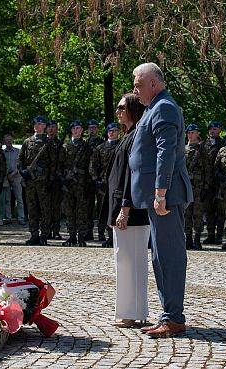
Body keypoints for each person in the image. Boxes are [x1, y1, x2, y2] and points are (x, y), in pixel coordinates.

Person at [129, 62, 192, 338]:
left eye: (138, 84)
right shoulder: (153, 107)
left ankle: (174, 318)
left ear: (153, 83)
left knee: (169, 256)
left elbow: (165, 154)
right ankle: (169, 314)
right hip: (161, 195)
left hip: (166, 195)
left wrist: (160, 193)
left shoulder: (163, 106)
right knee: (161, 256)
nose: (134, 89)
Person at [102, 93, 149, 327]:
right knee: (125, 261)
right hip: (124, 208)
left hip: (131, 211)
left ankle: (132, 313)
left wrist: (125, 208)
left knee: (131, 262)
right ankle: (131, 311)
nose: (118, 111)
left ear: (132, 108)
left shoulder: (137, 136)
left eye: (122, 107)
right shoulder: (129, 135)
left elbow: (132, 175)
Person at [18, 116, 55, 246]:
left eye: (40, 124)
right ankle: (34, 234)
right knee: (32, 208)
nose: (37, 126)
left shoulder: (48, 142)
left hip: (43, 181)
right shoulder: (27, 142)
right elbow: (20, 159)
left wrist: (50, 179)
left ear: (44, 126)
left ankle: (44, 235)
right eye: (36, 124)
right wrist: (22, 172)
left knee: (45, 209)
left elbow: (53, 163)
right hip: (30, 182)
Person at [61, 120, 92, 247]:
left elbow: (91, 165)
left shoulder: (86, 147)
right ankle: (72, 236)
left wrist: (89, 182)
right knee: (69, 210)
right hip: (68, 185)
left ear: (82, 130)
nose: (76, 130)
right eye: (73, 128)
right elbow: (60, 164)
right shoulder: (65, 146)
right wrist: (63, 177)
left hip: (81, 184)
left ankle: (81, 237)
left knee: (81, 211)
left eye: (78, 128)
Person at [90, 122, 120, 246]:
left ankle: (117, 236)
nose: (112, 133)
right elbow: (93, 166)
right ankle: (108, 236)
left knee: (117, 209)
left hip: (118, 184)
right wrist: (96, 180)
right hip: (103, 185)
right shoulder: (100, 148)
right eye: (110, 131)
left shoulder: (122, 146)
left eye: (115, 130)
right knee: (105, 210)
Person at [184, 124, 209, 250]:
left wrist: (206, 187)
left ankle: (197, 238)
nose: (190, 134)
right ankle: (188, 238)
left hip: (199, 187)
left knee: (198, 214)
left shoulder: (202, 150)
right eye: (188, 132)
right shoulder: (182, 149)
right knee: (186, 213)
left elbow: (207, 170)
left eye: (193, 132)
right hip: (186, 187)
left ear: (198, 133)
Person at [202, 120, 226, 244]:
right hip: (207, 182)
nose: (213, 131)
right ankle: (211, 234)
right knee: (209, 209)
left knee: (221, 210)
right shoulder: (203, 144)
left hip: (220, 182)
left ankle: (220, 235)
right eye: (211, 129)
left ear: (220, 130)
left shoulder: (224, 143)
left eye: (215, 129)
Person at [85, 119, 105, 240]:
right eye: (90, 128)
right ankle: (88, 232)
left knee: (101, 207)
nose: (92, 130)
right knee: (88, 207)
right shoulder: (84, 143)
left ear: (97, 129)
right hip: (86, 180)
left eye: (94, 127)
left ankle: (101, 233)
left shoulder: (102, 142)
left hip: (100, 179)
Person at [2, 133, 25, 226]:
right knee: (7, 198)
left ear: (12, 140)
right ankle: (8, 217)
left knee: (19, 198)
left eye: (10, 140)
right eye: (7, 140)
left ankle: (21, 217)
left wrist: (13, 173)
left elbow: (20, 165)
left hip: (16, 176)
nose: (9, 141)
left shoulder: (18, 151)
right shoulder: (2, 153)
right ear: (4, 141)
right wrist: (7, 175)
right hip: (6, 177)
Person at [46, 121, 64, 239]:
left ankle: (56, 231)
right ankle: (46, 231)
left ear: (57, 129)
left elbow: (62, 162)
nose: (51, 129)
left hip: (57, 179)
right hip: (44, 179)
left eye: (53, 127)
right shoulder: (43, 142)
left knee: (56, 207)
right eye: (49, 127)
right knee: (45, 206)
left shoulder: (60, 144)